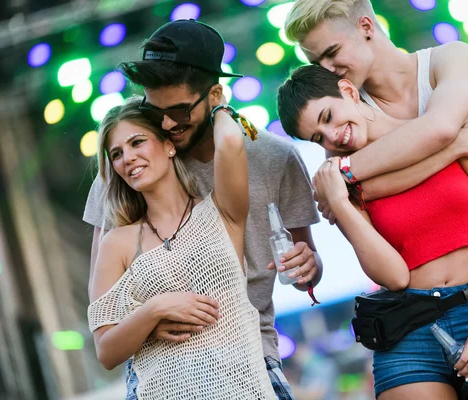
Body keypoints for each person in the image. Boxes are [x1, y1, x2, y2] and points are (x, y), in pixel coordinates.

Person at [283, 0, 468, 397]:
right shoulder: (341, 126)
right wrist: (462, 143)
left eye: (332, 53)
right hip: (409, 323)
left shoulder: (444, 62)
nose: (328, 69)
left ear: (366, 26)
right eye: (317, 61)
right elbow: (343, 193)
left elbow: (438, 128)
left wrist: (350, 181)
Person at [83, 19, 322, 399]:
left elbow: (305, 269)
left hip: (248, 352)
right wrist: (151, 319)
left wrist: (310, 265)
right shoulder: (125, 173)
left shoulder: (273, 159)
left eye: (177, 110)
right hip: (158, 369)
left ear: (214, 95)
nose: (165, 123)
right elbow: (105, 309)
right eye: (153, 108)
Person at [88, 97, 276, 398]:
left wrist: (216, 101)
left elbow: (230, 140)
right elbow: (106, 351)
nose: (129, 157)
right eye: (117, 153)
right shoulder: (117, 242)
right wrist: (153, 311)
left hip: (244, 385)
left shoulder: (221, 212)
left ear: (168, 144)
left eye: (138, 142)